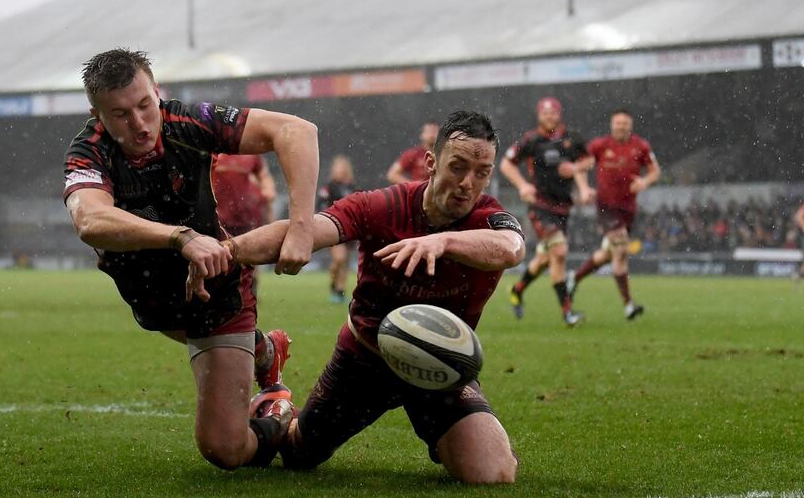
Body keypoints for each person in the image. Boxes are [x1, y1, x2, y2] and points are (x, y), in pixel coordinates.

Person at [209, 110, 523, 484]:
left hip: (438, 367)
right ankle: (277, 405)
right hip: (364, 360)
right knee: (297, 456)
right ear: (430, 162)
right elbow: (308, 229)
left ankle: (464, 438)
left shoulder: (490, 218)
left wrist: (444, 241)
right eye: (457, 167)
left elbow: (511, 248)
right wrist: (225, 252)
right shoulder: (382, 206)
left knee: (493, 474)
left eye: (482, 172)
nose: (467, 183)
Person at [63, 48, 318, 470]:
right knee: (173, 321)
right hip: (151, 299)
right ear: (97, 113)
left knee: (224, 449)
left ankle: (279, 417)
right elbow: (90, 218)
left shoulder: (190, 120)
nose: (140, 123)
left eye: (146, 105)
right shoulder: (89, 150)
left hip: (215, 288)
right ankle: (263, 350)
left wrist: (302, 227)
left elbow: (297, 131)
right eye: (121, 114)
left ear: (156, 91)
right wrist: (181, 238)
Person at [500, 97, 592, 326]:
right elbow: (506, 164)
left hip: (564, 207)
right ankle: (568, 313)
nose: (549, 117)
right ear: (539, 115)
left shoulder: (573, 138)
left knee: (545, 258)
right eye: (544, 113)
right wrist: (522, 185)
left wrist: (579, 176)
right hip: (540, 206)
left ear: (559, 114)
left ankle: (517, 289)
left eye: (553, 113)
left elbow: (588, 160)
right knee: (559, 253)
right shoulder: (532, 140)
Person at [567, 109, 660, 320]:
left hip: (628, 209)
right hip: (606, 207)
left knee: (608, 254)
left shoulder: (641, 146)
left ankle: (575, 277)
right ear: (611, 125)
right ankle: (629, 306)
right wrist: (583, 188)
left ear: (631, 126)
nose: (621, 127)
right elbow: (579, 166)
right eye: (618, 123)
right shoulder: (600, 146)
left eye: (625, 124)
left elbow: (655, 171)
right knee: (621, 249)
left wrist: (644, 181)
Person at [317, 155, 357, 303]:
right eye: (340, 167)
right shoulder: (329, 186)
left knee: (345, 261)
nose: (342, 170)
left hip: (350, 229)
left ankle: (340, 291)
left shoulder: (352, 187)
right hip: (334, 227)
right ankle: (334, 285)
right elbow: (320, 205)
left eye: (344, 167)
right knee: (338, 259)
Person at [212, 153, 277, 236]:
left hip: (249, 216)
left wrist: (267, 192)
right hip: (220, 218)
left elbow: (264, 176)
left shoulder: (250, 154)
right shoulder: (213, 152)